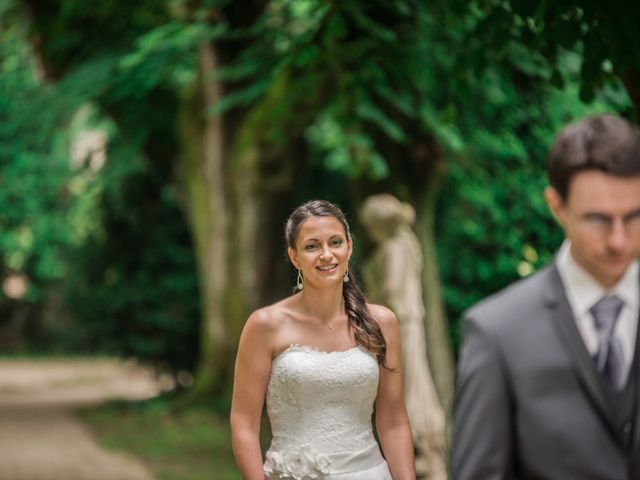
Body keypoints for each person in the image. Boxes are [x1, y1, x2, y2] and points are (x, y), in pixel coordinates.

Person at [453, 113, 640, 479]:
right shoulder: (496, 332)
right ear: (557, 207)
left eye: (634, 216)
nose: (619, 240)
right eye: (598, 219)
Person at [230, 200, 415, 479]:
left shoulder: (382, 323)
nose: (326, 254)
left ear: (349, 247)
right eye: (312, 246)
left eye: (335, 242)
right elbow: (243, 423)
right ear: (294, 257)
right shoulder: (265, 325)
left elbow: (394, 421)